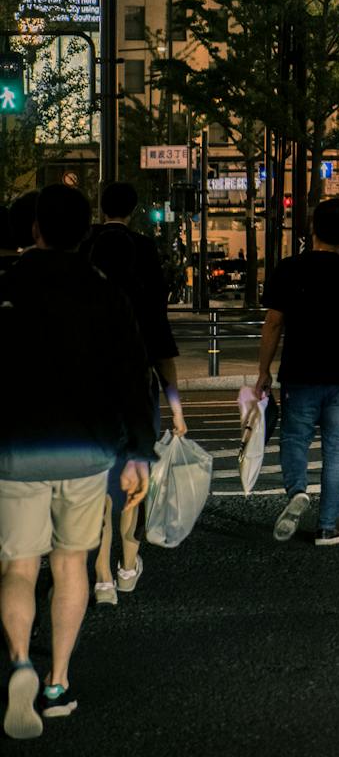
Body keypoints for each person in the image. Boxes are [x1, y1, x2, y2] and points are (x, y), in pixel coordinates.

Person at [1, 185, 155, 736]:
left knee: (19, 566)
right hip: (87, 452)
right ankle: (57, 681)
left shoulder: (6, 286)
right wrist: (139, 451)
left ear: (35, 229)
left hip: (17, 449)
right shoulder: (103, 292)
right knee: (71, 565)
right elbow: (131, 378)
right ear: (84, 233)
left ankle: (19, 658)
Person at [254, 200, 339, 546]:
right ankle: (327, 526)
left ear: (313, 230)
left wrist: (263, 371)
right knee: (337, 447)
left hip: (299, 370)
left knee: (295, 439)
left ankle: (298, 490)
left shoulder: (289, 268)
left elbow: (273, 324)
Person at [81, 183, 184, 607]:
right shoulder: (143, 276)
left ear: (101, 207)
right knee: (133, 477)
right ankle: (128, 563)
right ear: (135, 209)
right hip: (138, 390)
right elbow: (163, 350)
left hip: (90, 391)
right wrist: (177, 411)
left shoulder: (84, 257)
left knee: (100, 484)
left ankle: (102, 573)